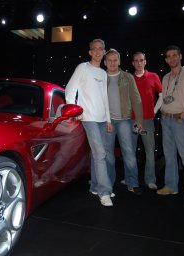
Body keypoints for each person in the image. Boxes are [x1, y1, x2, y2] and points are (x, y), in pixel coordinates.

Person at [65, 38, 114, 207]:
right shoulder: (83, 68)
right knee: (101, 154)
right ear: (90, 52)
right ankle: (104, 191)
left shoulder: (103, 73)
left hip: (102, 120)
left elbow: (105, 98)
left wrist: (108, 119)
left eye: (101, 49)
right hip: (89, 119)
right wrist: (76, 111)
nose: (98, 52)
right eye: (95, 49)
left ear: (104, 51)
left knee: (96, 155)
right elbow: (70, 90)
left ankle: (94, 186)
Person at [157, 45, 184, 206]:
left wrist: (183, 115)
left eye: (174, 55)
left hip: (179, 120)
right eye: (168, 56)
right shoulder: (166, 77)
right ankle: (171, 185)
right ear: (166, 59)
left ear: (180, 56)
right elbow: (165, 98)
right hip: (166, 119)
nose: (171, 58)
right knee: (169, 156)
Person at [104, 48, 143, 195]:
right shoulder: (101, 77)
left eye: (115, 60)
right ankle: (108, 184)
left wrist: (139, 120)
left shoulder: (127, 77)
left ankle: (133, 183)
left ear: (119, 61)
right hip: (107, 122)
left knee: (129, 153)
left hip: (124, 121)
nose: (112, 62)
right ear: (105, 62)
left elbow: (136, 99)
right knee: (108, 155)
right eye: (109, 60)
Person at [131, 52, 163, 190]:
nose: (139, 63)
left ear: (145, 62)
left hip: (147, 121)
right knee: (129, 151)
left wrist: (154, 111)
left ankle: (150, 179)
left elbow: (162, 96)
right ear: (133, 63)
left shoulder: (153, 76)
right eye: (136, 61)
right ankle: (129, 179)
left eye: (141, 60)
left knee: (149, 151)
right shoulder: (128, 78)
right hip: (132, 120)